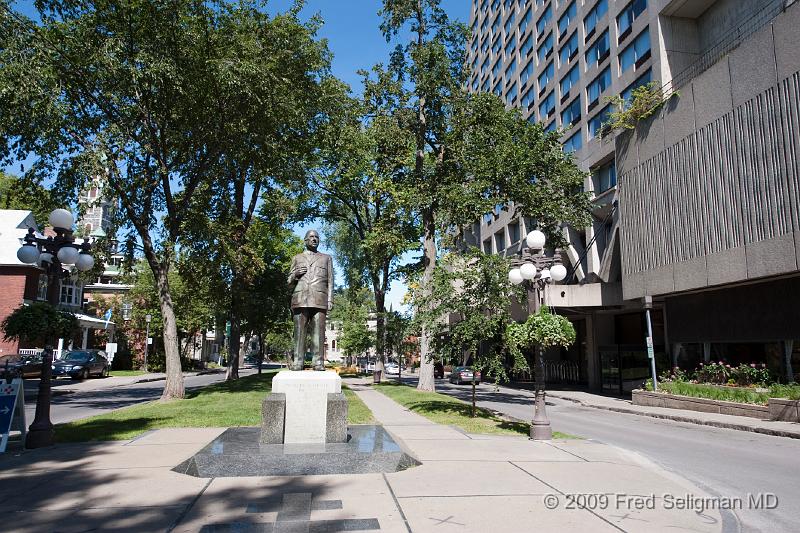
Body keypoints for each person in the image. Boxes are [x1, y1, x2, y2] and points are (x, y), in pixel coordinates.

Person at [287, 230, 333, 371]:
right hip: (300, 298)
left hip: (320, 298)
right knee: (299, 331)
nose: (314, 239)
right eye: (311, 237)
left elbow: (331, 281)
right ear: (305, 240)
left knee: (318, 332)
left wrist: (330, 299)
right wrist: (295, 274)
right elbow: (288, 282)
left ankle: (318, 362)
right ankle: (298, 362)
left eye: (317, 237)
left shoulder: (326, 258)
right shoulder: (297, 258)